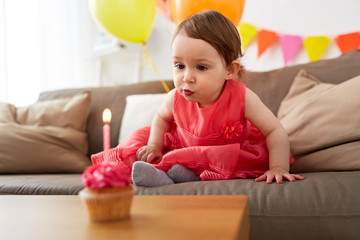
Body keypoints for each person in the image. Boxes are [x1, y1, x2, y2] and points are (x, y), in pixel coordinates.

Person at [91, 10, 305, 186]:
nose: (187, 77)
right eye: (179, 65)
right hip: (181, 148)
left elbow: (274, 130)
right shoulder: (174, 97)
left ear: (230, 70)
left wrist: (278, 167)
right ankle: (163, 174)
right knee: (139, 138)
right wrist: (155, 145)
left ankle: (184, 175)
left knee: (220, 158)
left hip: (221, 154)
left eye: (201, 67)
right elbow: (161, 118)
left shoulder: (242, 97)